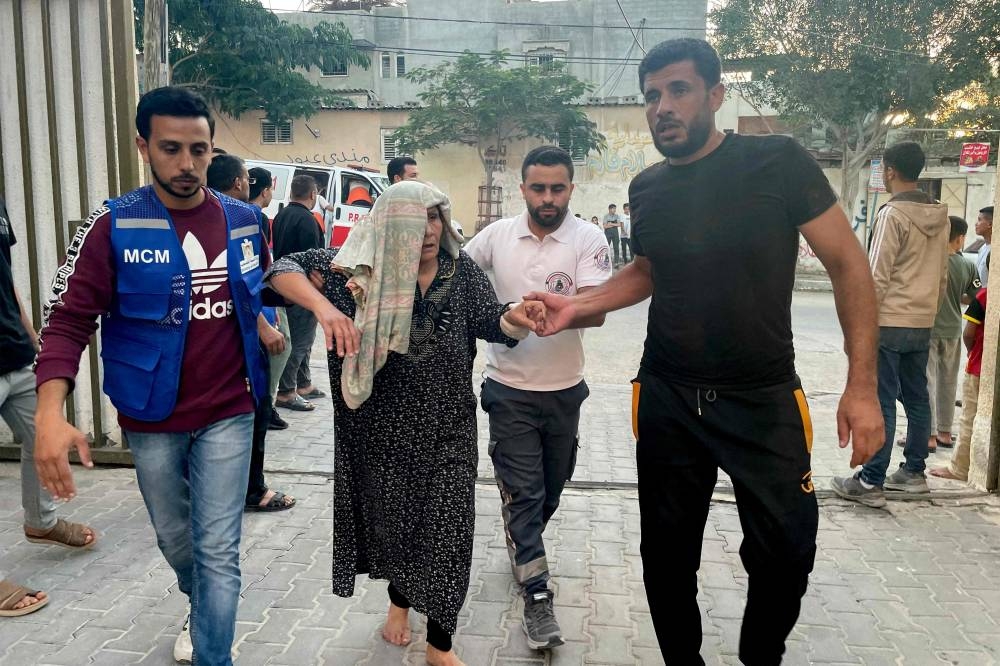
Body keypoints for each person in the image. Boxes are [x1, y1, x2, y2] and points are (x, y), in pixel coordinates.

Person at [524, 38, 883, 664]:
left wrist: (861, 386)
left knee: (788, 551)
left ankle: (758, 654)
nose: (662, 106)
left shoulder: (778, 162)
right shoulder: (648, 187)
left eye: (678, 90)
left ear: (715, 95)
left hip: (762, 398)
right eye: (652, 96)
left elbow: (849, 267)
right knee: (665, 557)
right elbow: (649, 270)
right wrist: (578, 304)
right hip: (666, 396)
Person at [34, 86, 270, 665]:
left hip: (230, 410)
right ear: (143, 147)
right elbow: (67, 322)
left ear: (212, 149)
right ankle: (202, 605)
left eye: (199, 150)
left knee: (218, 550)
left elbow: (261, 284)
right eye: (171, 149)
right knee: (175, 539)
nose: (187, 165)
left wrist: (270, 322)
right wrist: (48, 414)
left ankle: (214, 652)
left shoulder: (243, 219)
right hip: (151, 414)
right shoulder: (112, 225)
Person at [266, 181, 544, 666]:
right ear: (392, 226)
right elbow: (280, 270)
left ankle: (440, 645)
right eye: (418, 220)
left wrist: (519, 315)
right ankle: (399, 602)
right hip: (382, 433)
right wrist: (327, 309)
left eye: (436, 217)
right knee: (398, 529)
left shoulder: (461, 275)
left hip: (449, 430)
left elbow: (493, 321)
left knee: (449, 530)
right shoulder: (355, 273)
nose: (431, 230)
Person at [464, 145, 611, 650]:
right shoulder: (497, 235)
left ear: (571, 188)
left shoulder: (589, 238)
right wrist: (501, 310)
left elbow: (596, 308)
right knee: (524, 494)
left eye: (557, 188)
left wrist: (562, 309)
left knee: (551, 486)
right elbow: (456, 276)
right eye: (538, 188)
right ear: (522, 189)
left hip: (566, 390)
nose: (548, 198)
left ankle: (524, 544)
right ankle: (537, 594)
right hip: (508, 390)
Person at [831, 141, 950, 506]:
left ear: (891, 170)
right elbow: (942, 275)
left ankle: (871, 481)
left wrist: (860, 325)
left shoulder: (891, 215)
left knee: (880, 398)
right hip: (922, 320)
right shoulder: (941, 216)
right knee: (917, 397)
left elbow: (875, 276)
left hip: (891, 321)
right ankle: (914, 472)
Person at [0, 196, 96, 619]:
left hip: (12, 352)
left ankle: (41, 521)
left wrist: (30, 336)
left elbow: (5, 278)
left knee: (43, 435)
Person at [207, 158, 296, 512]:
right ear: (237, 182)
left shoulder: (215, 217)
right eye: (246, 177)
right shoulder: (241, 218)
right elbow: (241, 280)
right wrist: (263, 326)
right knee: (253, 411)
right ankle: (252, 490)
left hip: (224, 337)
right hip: (241, 337)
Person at [924, 216, 980, 452]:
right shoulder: (967, 265)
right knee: (948, 381)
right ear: (960, 238)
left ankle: (929, 435)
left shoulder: (929, 262)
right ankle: (946, 433)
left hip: (928, 329)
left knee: (927, 382)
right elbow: (975, 297)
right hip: (954, 330)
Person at [272, 175, 325, 412]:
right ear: (313, 195)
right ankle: (286, 391)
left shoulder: (282, 215)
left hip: (284, 285)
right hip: (303, 287)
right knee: (300, 340)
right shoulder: (308, 220)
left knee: (303, 338)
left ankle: (303, 383)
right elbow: (314, 259)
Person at [248, 167, 292, 430]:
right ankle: (267, 404)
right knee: (279, 347)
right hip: (262, 299)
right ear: (265, 190)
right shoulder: (256, 218)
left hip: (262, 296)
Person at [931, 286, 987, 482]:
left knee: (969, 418)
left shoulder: (985, 295)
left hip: (979, 368)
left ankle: (960, 468)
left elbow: (969, 333)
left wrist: (973, 353)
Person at [975, 206, 992, 287]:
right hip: (979, 296)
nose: (976, 224)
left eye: (979, 220)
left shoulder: (994, 251)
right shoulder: (982, 248)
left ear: (990, 224)